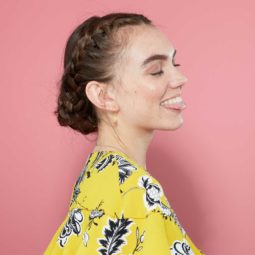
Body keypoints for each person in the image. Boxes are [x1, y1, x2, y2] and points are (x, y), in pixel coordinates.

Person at [44, 12, 205, 255]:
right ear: (103, 96)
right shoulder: (136, 192)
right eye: (156, 71)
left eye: (175, 64)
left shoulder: (96, 176)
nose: (181, 78)